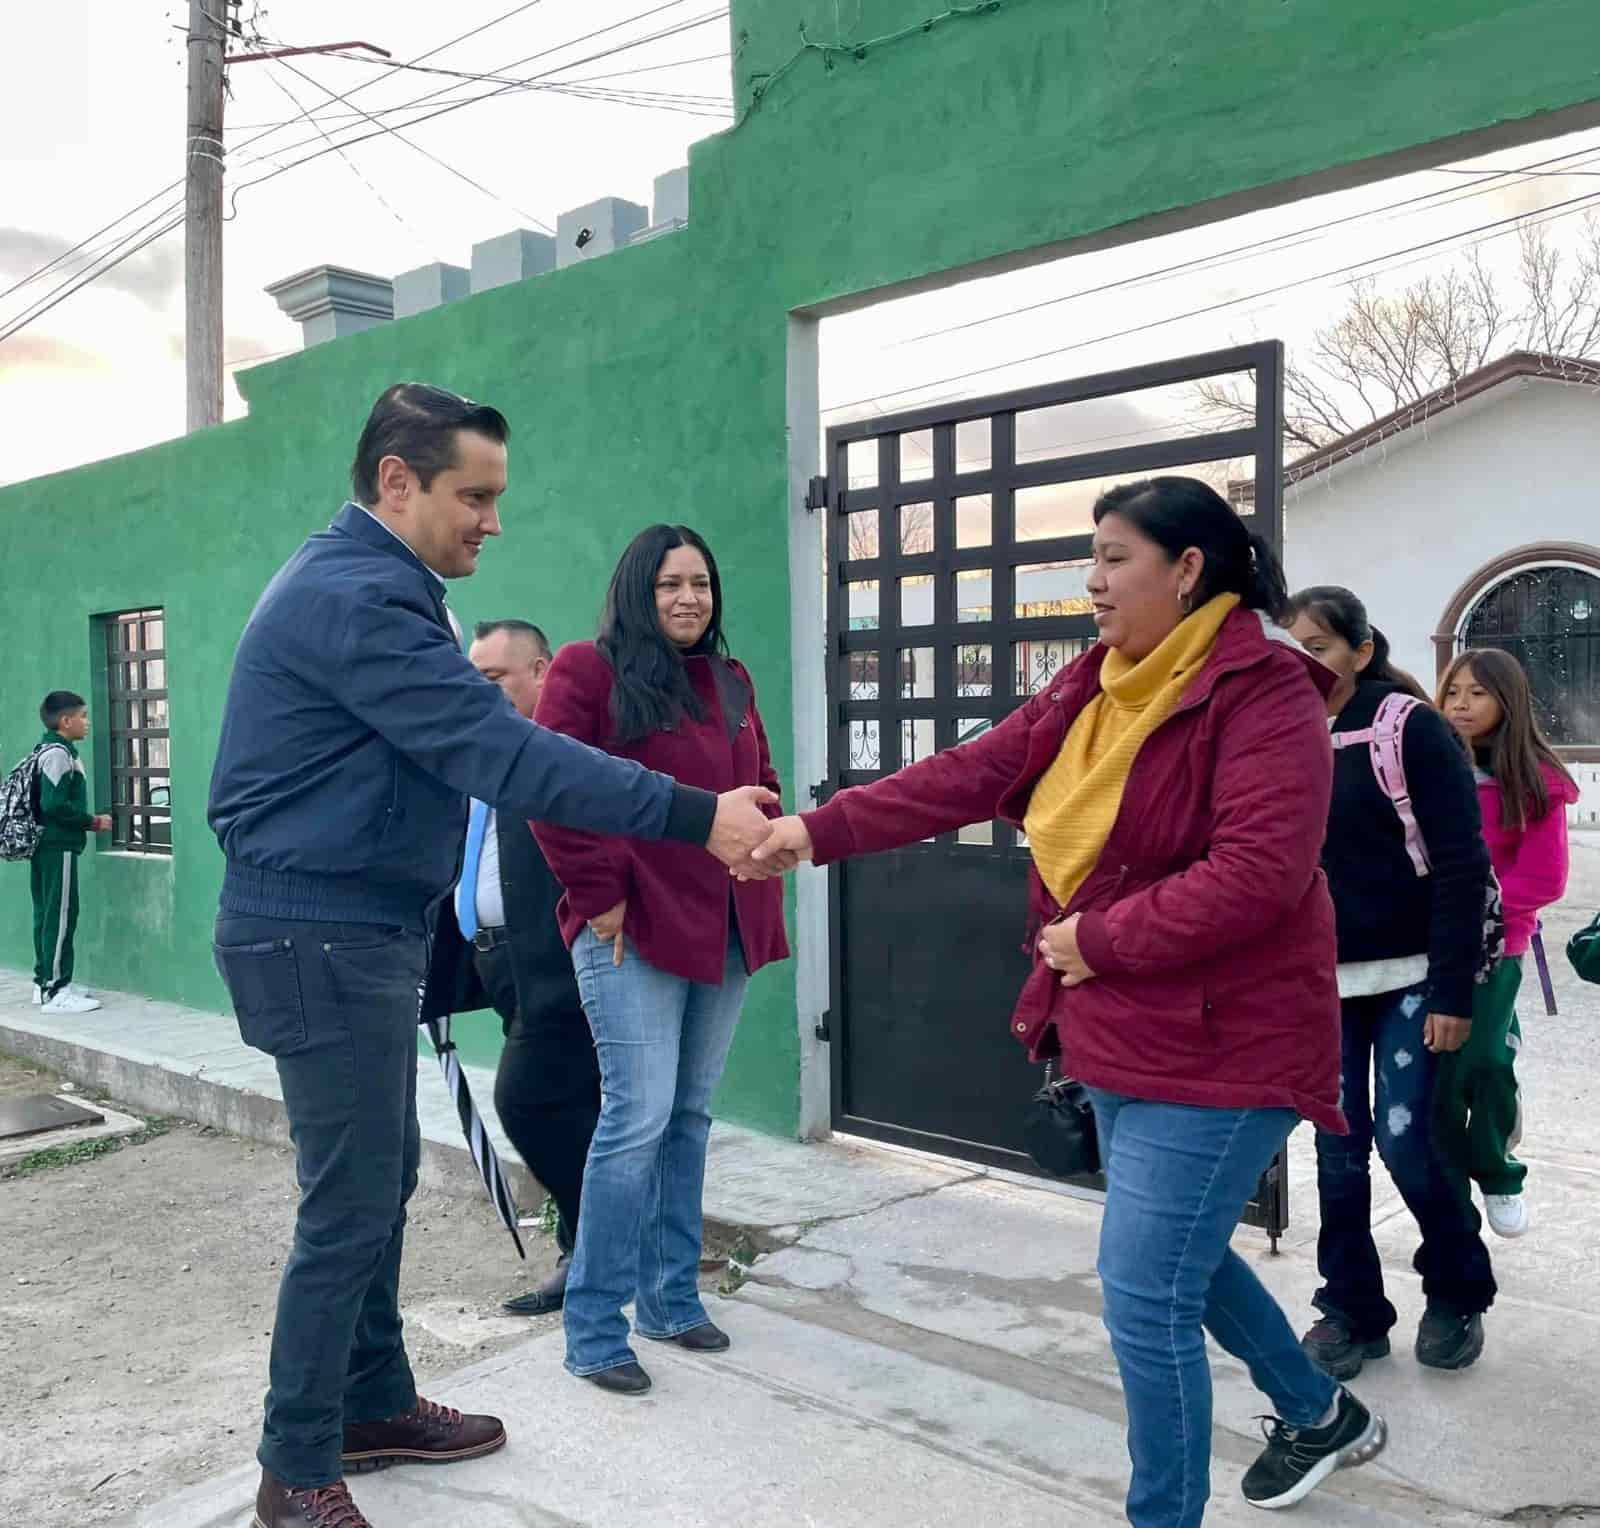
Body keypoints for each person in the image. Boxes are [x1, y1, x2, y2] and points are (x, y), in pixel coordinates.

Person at [752, 478, 1385, 1525]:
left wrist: (1094, 936)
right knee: (1171, 1256)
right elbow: (967, 773)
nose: (1089, 583)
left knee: (1142, 1291)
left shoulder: (1264, 690)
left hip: (1232, 1036)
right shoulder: (1094, 683)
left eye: (1111, 558)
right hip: (1117, 1029)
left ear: (1186, 569)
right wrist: (816, 833)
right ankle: (1318, 1411)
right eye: (1089, 559)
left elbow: (1259, 871)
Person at [206, 385, 779, 1528]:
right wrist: (691, 812)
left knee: (381, 1183)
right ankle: (296, 1468)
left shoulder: (379, 585)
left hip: (352, 926)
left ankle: (369, 1404)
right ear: (396, 483)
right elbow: (499, 751)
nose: (494, 521)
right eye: (474, 496)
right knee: (349, 1202)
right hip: (315, 930)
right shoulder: (357, 596)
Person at [534, 524, 790, 1397]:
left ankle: (671, 1299)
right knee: (636, 1119)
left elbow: (761, 779)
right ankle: (594, 1326)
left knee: (688, 1116)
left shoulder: (731, 679)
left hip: (725, 921)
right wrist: (598, 891)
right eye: (669, 585)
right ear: (637, 590)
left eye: (701, 584)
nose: (688, 599)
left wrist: (771, 837)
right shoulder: (587, 670)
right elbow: (549, 789)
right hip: (631, 926)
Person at [1284, 587, 1498, 1379]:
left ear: (1361, 651)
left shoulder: (1409, 729)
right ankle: (1351, 1312)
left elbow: (1460, 866)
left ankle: (1456, 1291)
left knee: (1409, 1144)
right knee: (1338, 1153)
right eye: (1292, 645)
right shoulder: (1280, 734)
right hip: (1319, 984)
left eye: (1321, 645)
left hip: (1412, 979)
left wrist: (1450, 993)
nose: (1306, 661)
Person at [421, 618, 599, 1317]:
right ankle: (597, 1248)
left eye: (493, 678)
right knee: (573, 1106)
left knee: (525, 1101)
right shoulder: (476, 755)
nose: (479, 690)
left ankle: (595, 1247)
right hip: (491, 961)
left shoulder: (557, 754)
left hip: (552, 962)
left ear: (543, 672)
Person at [1438, 647, 1578, 1238]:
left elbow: (1544, 878)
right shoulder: (1425, 766)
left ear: (1508, 701)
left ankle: (1498, 1174)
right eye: (1453, 693)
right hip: (1428, 944)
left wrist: (1474, 912)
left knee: (1486, 1062)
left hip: (1498, 946)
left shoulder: (1536, 779)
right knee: (1440, 1077)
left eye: (1478, 693)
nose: (1462, 705)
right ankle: (1449, 1196)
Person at [29, 691, 111, 1015]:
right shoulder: (59, 754)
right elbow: (53, 805)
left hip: (46, 845)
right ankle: (56, 990)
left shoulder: (49, 749)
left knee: (47, 914)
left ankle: (44, 981)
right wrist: (91, 821)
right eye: (83, 716)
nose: (87, 722)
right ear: (66, 721)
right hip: (57, 845)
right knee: (61, 915)